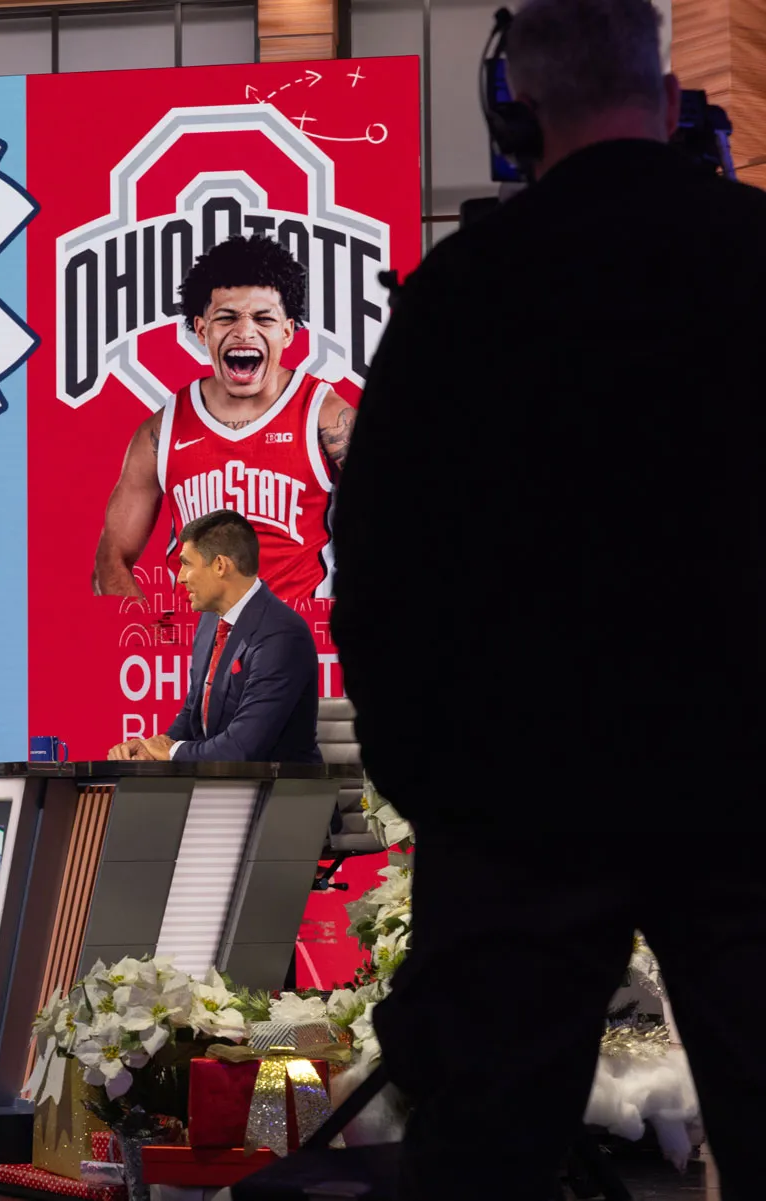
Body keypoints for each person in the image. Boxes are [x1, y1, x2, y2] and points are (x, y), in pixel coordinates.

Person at [331, 0, 766, 1196]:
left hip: (518, 810)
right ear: (671, 96)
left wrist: (434, 782)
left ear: (513, 109)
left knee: (486, 1156)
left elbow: (375, 564)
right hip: (747, 792)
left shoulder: (462, 296)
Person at [93, 235, 355, 602]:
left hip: (298, 645)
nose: (245, 331)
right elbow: (111, 556)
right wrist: (151, 639)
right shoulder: (162, 430)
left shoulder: (326, 417)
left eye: (263, 318)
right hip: (197, 649)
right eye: (227, 317)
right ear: (202, 330)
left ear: (287, 331)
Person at [107, 510, 318, 763]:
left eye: (186, 564)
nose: (181, 578)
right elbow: (192, 713)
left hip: (280, 794)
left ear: (220, 566)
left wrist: (171, 752)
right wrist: (149, 750)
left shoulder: (281, 635)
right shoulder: (210, 621)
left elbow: (240, 748)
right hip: (220, 786)